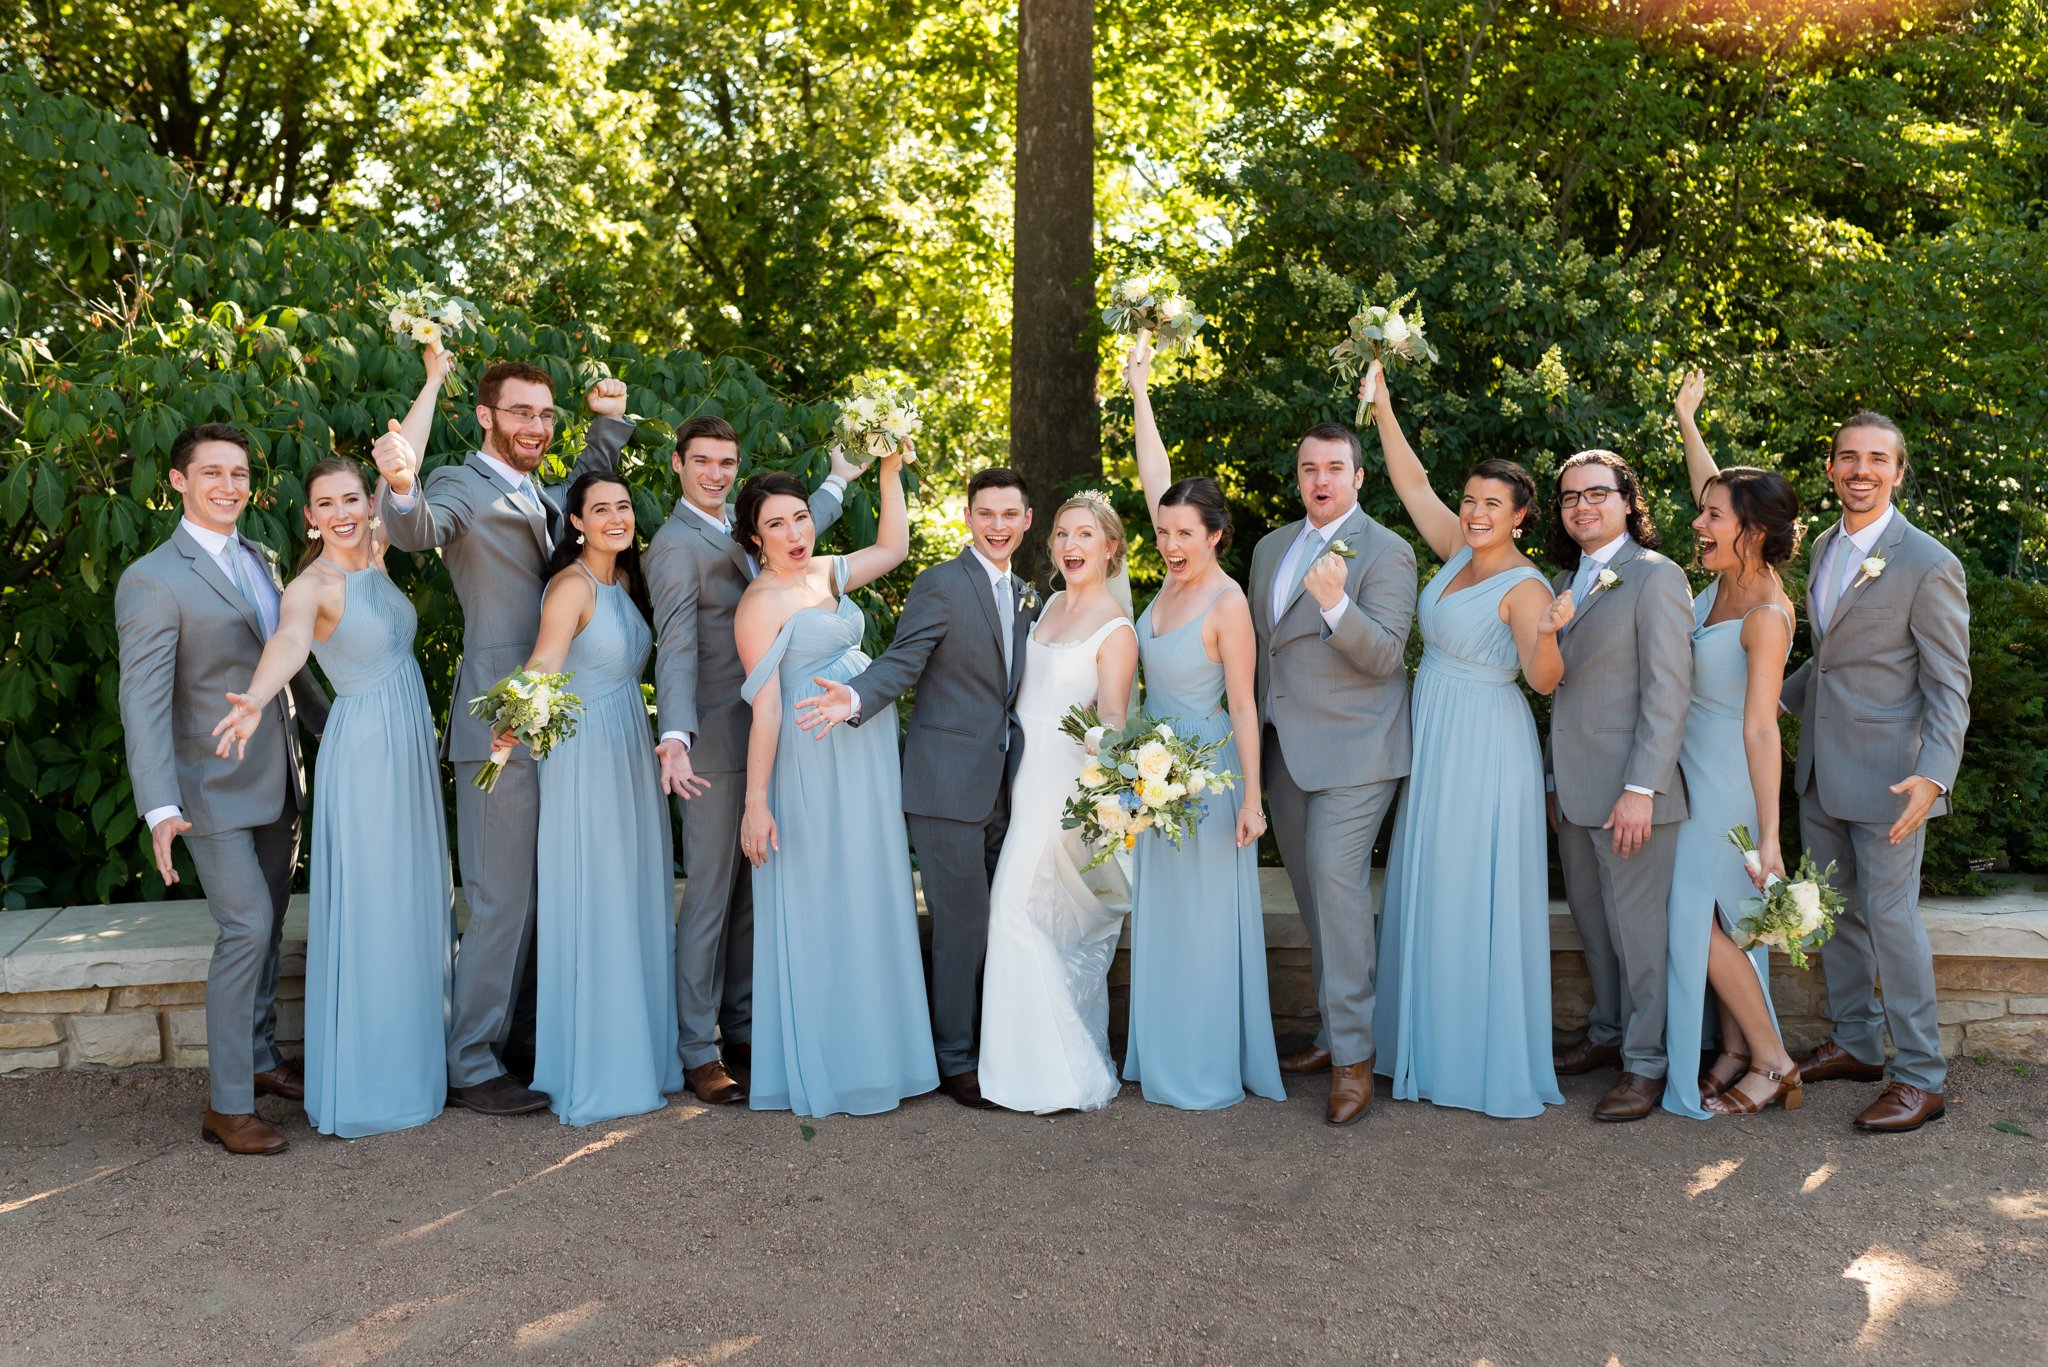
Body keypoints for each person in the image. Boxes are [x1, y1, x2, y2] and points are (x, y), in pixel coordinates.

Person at [373, 352, 632, 1115]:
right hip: (499, 726)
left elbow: (582, 495)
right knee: (499, 899)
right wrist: (396, 483)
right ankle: (472, 1058)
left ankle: (522, 1042)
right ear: (485, 415)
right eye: (521, 412)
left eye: (546, 414)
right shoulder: (458, 483)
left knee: (550, 890)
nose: (536, 426)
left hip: (564, 726)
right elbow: (417, 526)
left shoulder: (544, 492)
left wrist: (606, 423)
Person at [211, 459, 451, 1139]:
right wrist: (256, 698)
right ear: (308, 516)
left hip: (407, 743)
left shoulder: (375, 549)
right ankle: (373, 1082)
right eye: (327, 503)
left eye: (353, 496)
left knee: (412, 897)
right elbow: (289, 641)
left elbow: (402, 454)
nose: (344, 510)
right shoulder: (312, 585)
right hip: (367, 750)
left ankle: (417, 1063)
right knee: (376, 903)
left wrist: (434, 374)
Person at [792, 469, 1040, 1109]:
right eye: (986, 514)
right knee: (961, 924)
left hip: (1007, 785)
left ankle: (990, 1044)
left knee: (995, 922)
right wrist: (856, 697)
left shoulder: (1026, 595)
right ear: (968, 518)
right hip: (944, 785)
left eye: (1009, 515)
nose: (998, 526)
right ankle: (955, 1059)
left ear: (1027, 520)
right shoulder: (942, 584)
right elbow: (905, 659)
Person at [1362, 362, 1569, 1119]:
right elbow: (1412, 484)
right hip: (1438, 733)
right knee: (1431, 879)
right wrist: (1383, 406)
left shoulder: (1525, 587)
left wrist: (1548, 635)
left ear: (1520, 517)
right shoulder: (1454, 548)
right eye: (1472, 499)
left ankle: (1470, 1058)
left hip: (1486, 743)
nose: (1476, 511)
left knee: (1470, 886)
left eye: (1493, 504)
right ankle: (1421, 1040)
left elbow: (1544, 681)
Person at [116, 424, 329, 1155]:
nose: (229, 486)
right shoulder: (152, 577)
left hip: (279, 780)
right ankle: (227, 1105)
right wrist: (161, 806)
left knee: (267, 928)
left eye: (239, 473)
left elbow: (289, 662)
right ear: (178, 482)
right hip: (209, 789)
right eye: (212, 473)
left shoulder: (263, 557)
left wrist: (342, 730)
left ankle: (262, 1057)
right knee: (244, 929)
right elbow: (141, 701)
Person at [645, 417, 859, 1106]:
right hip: (711, 743)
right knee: (708, 899)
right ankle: (696, 1050)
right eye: (702, 461)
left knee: (747, 901)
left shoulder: (742, 533)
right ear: (677, 464)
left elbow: (794, 529)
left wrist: (838, 477)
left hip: (769, 739)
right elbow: (675, 644)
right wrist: (675, 734)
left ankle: (740, 1028)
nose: (715, 472)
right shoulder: (675, 544)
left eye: (727, 461)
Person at [1234, 361, 1418, 1127]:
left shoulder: (1387, 551)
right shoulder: (1272, 546)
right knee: (1313, 897)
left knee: (1337, 891)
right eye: (1308, 468)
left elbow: (1384, 656)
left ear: (1358, 474)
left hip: (1357, 751)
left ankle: (1353, 1059)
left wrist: (1338, 606)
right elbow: (1261, 646)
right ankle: (1330, 1028)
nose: (1319, 479)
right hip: (1284, 750)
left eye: (1333, 468)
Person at [1782, 410, 1971, 1134]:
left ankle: (1922, 1077)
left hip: (1895, 778)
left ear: (1898, 470)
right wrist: (1775, 696)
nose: (1861, 469)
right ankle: (1858, 1042)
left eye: (1876, 459)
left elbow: (1948, 684)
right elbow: (1830, 657)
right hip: (1821, 773)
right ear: (1830, 468)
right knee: (1835, 916)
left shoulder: (1928, 561)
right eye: (1847, 457)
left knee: (1892, 920)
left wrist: (1934, 775)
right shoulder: (1826, 546)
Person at [735, 455, 940, 1116]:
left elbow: (894, 546)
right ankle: (834, 1064)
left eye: (800, 516)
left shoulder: (826, 569)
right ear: (754, 537)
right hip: (811, 758)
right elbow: (765, 708)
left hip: (865, 748)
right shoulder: (758, 603)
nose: (795, 532)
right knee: (823, 895)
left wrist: (887, 469)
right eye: (777, 523)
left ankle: (885, 1056)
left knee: (868, 888)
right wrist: (756, 803)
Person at [1125, 345, 1285, 1111]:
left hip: (1210, 779)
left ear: (1216, 533)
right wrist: (1139, 390)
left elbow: (1246, 705)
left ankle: (1204, 1062)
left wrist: (1253, 798)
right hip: (1150, 775)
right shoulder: (1164, 584)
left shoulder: (1227, 604)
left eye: (1185, 533)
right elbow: (1156, 475)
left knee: (1204, 924)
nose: (1171, 544)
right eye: (1163, 534)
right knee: (1162, 916)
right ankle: (1159, 1052)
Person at [511, 472, 682, 1126]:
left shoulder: (626, 582)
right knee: (597, 894)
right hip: (582, 750)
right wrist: (512, 724)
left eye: (624, 506)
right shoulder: (573, 585)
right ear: (576, 522)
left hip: (629, 746)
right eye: (600, 509)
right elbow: (544, 663)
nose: (616, 516)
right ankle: (596, 1067)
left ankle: (639, 1055)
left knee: (634, 893)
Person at [1664, 370, 1804, 1117]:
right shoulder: (1720, 578)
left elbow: (1760, 724)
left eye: (1714, 517)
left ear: (1751, 528)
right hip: (1687, 768)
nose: (1700, 523)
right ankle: (1741, 1048)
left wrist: (1772, 837)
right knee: (1711, 921)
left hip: (1723, 782)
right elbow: (1709, 485)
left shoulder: (1767, 615)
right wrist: (1688, 419)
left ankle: (1775, 1059)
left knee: (1705, 922)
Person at [1543, 447, 1695, 1122]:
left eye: (1597, 493)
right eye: (1571, 496)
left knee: (1638, 935)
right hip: (1574, 790)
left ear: (1629, 500)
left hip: (1632, 793)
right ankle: (1607, 1035)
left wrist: (1643, 787)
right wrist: (1552, 777)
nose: (1583, 505)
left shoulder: (1656, 577)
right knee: (1595, 926)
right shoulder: (1564, 580)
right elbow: (1562, 691)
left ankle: (1646, 1064)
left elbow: (1668, 693)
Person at [976, 491, 1139, 1114]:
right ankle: (1018, 1069)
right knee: (1027, 915)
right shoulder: (1041, 610)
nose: (1071, 545)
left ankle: (1056, 1075)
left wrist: (1111, 744)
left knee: (1018, 911)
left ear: (1111, 548)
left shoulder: (1116, 629)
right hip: (1025, 780)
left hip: (1070, 788)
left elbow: (1117, 714)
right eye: (1063, 534)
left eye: (1086, 536)